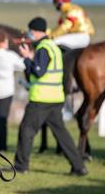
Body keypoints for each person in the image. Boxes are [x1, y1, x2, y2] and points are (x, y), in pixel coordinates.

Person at [14, 17, 87, 175]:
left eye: (30, 31)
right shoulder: (53, 46)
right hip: (55, 98)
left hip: (42, 99)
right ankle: (79, 166)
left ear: (34, 31)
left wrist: (26, 58)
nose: (29, 34)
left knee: (26, 130)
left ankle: (21, 166)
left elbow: (39, 71)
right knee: (61, 134)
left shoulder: (43, 48)